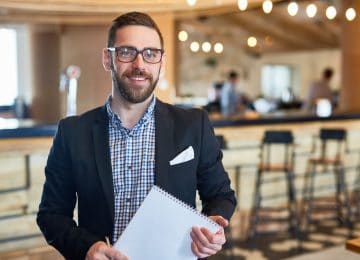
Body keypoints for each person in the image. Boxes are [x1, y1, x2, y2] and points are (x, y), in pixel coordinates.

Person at [37, 12, 236, 260]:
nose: (140, 65)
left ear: (161, 62)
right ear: (108, 59)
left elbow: (221, 195)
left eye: (150, 53)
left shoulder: (193, 124)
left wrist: (214, 224)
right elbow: (51, 214)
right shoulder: (72, 132)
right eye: (127, 52)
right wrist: (86, 248)